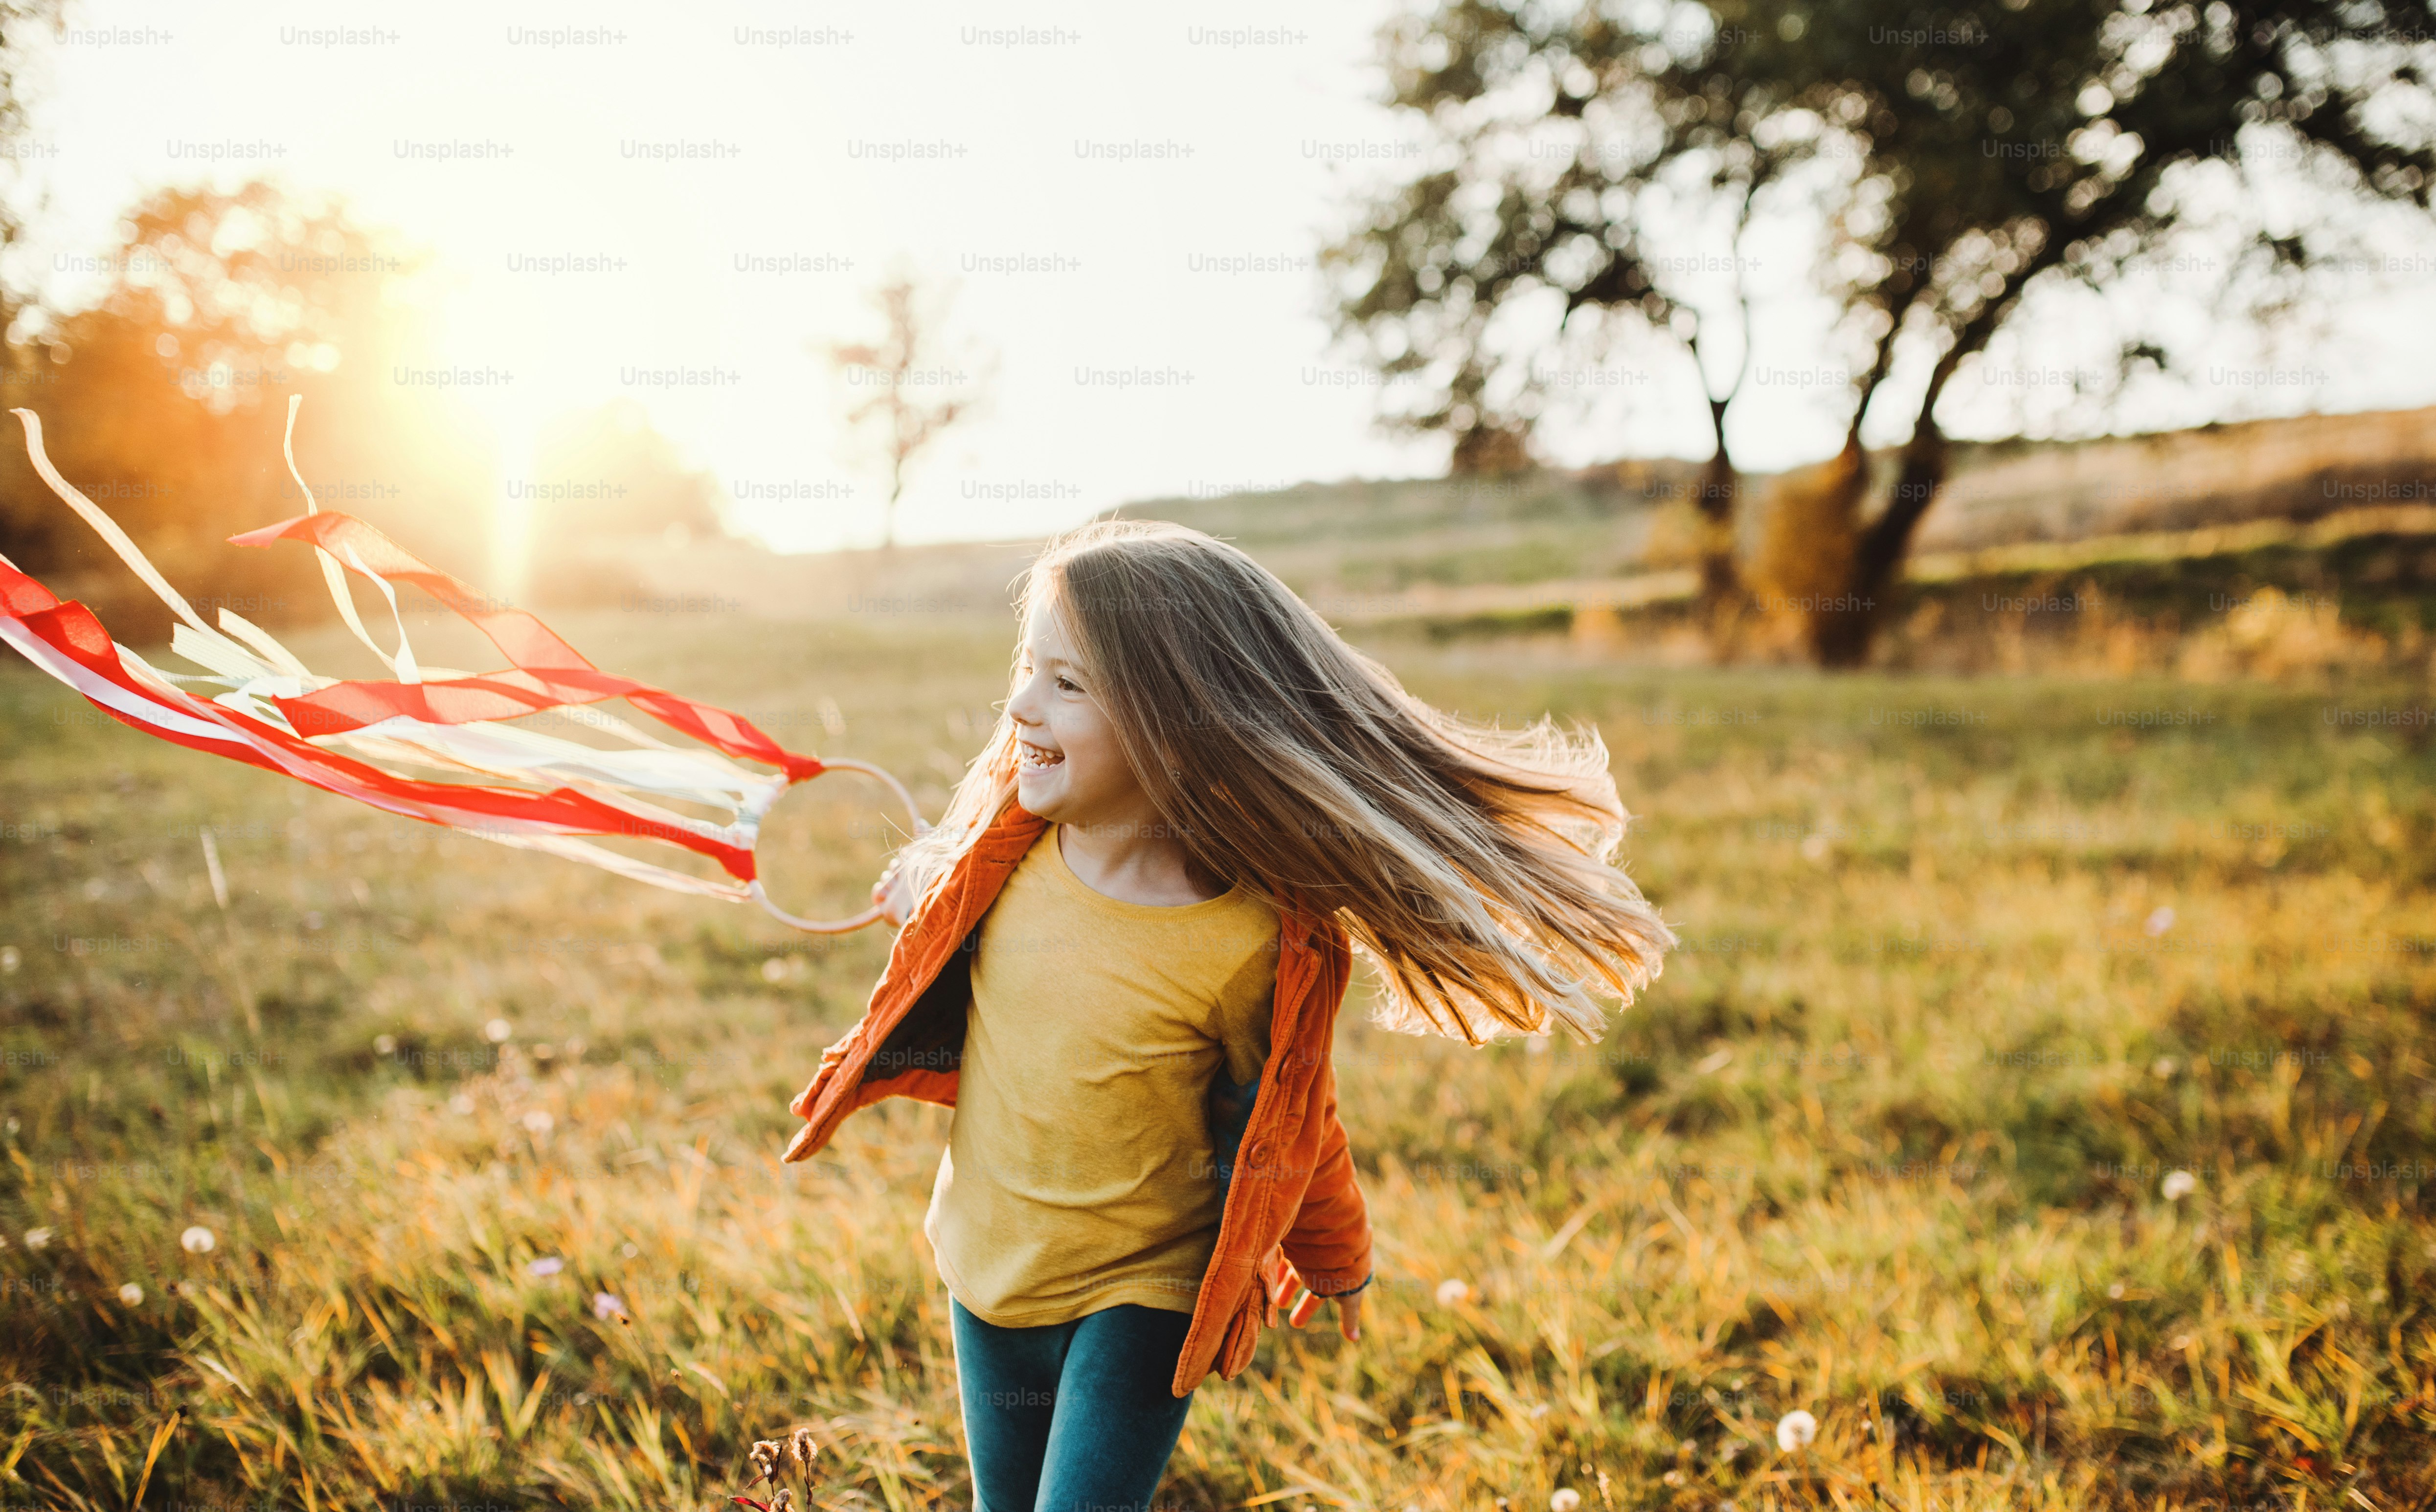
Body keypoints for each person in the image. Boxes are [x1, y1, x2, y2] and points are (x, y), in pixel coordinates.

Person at [782, 519, 1673, 1511]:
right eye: (1030, 667)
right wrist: (915, 883)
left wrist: (1333, 1252)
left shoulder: (1251, 939)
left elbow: (1289, 1113)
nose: (1022, 702)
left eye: (1068, 684)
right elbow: (941, 894)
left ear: (1175, 718)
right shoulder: (1005, 857)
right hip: (987, 1255)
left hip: (1144, 1288)